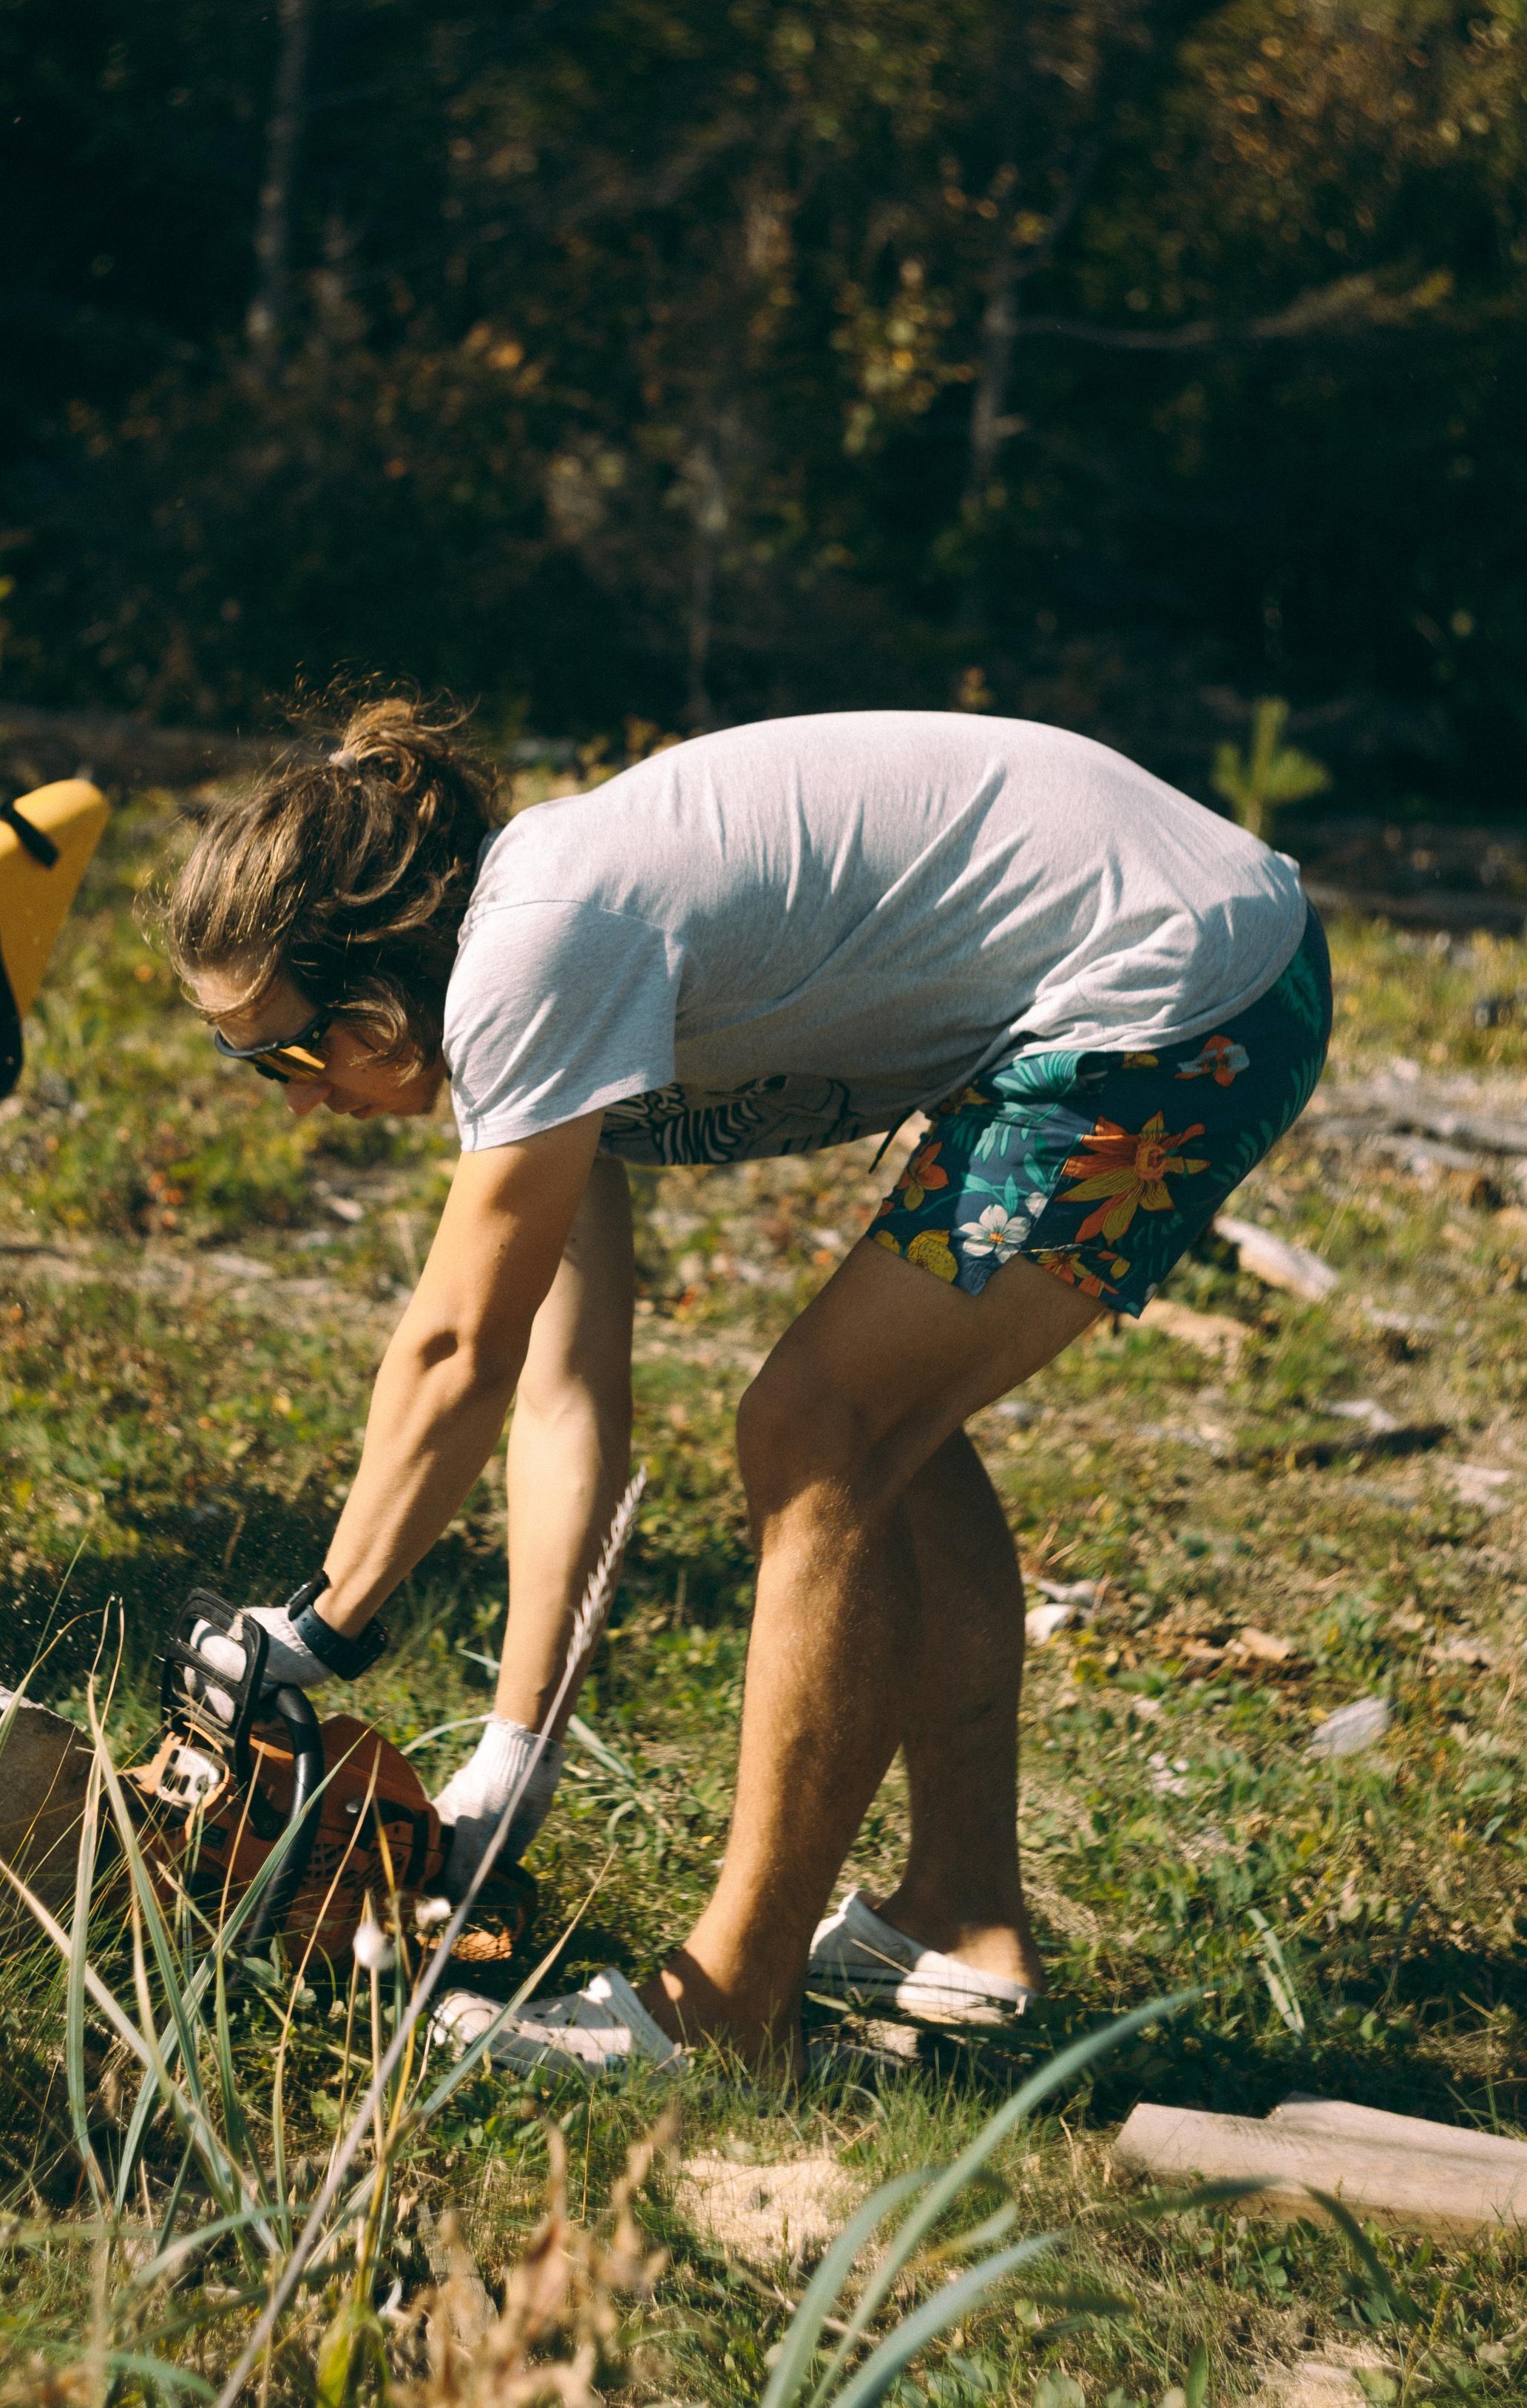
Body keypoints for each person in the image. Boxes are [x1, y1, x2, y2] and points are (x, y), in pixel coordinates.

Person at [162, 694, 1330, 2072]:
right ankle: (960, 1917)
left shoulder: (536, 950)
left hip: (1180, 985)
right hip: (1177, 949)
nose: (298, 1101)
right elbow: (555, 1388)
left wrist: (323, 1628)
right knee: (878, 1427)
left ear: (376, 971)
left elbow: (450, 1351)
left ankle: (729, 2008)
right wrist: (516, 1755)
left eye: (290, 1053)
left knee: (816, 1423)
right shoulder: (527, 989)